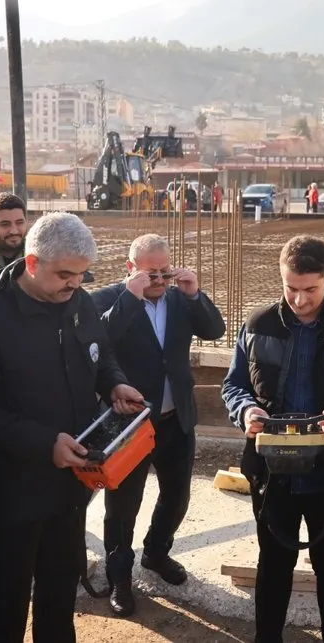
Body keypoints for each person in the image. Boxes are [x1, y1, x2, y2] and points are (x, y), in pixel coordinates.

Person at [0, 212, 144, 642]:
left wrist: (113, 383)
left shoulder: (78, 302)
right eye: (64, 275)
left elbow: (100, 350)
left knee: (58, 602)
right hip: (10, 493)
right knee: (3, 609)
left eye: (80, 274)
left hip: (70, 487)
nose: (74, 284)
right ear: (33, 264)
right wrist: (43, 444)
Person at [222, 235, 324, 643]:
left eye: (310, 290)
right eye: (291, 289)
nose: (299, 300)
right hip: (271, 469)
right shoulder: (257, 323)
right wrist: (246, 411)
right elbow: (233, 386)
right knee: (273, 561)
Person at [91, 234, 226, 616]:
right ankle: (119, 575)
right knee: (123, 506)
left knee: (177, 496)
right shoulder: (107, 299)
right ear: (130, 270)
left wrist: (195, 293)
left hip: (175, 417)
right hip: (129, 423)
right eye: (150, 273)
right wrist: (129, 299)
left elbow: (215, 330)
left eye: (164, 272)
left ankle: (156, 552)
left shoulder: (179, 299)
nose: (159, 280)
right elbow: (99, 343)